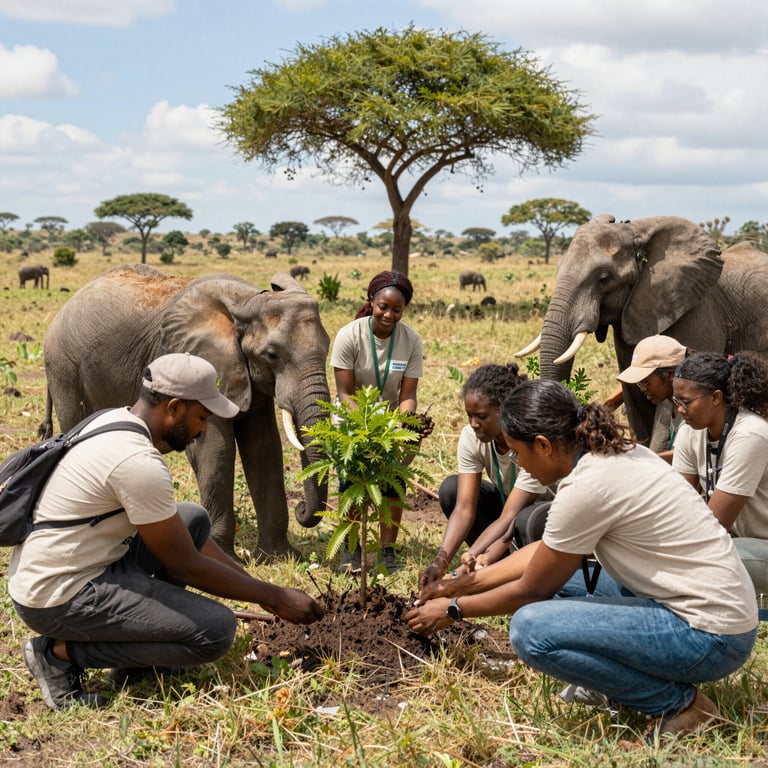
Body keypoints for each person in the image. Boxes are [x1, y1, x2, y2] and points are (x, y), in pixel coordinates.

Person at [407, 379, 757, 743]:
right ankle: (633, 685)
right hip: (714, 611)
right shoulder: (615, 455)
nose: (520, 464)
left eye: (518, 453)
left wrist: (452, 610)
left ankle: (677, 705)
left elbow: (532, 590)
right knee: (567, 586)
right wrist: (457, 583)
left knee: (531, 630)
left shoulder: (588, 485)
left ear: (542, 445)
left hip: (710, 635)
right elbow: (543, 555)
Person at [9, 353, 324, 711]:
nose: (203, 429)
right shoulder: (137, 463)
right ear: (174, 408)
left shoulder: (113, 420)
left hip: (77, 561)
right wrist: (274, 596)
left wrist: (255, 586)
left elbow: (183, 544)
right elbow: (186, 566)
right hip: (59, 593)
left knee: (190, 518)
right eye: (201, 417)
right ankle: (57, 654)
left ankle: (138, 664)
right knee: (215, 630)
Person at [419, 363, 551, 589]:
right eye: (469, 415)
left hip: (539, 522)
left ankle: (509, 570)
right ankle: (492, 566)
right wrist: (440, 562)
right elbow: (464, 508)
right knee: (451, 489)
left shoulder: (529, 441)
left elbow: (510, 516)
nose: (473, 424)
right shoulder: (472, 437)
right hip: (507, 519)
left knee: (524, 519)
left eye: (481, 416)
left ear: (505, 410)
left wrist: (460, 570)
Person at [330, 270, 423, 574]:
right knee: (352, 481)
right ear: (371, 301)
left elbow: (408, 395)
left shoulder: (410, 340)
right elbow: (344, 393)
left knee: (394, 483)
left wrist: (404, 421)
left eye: (397, 310)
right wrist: (366, 425)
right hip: (352, 417)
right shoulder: (349, 335)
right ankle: (351, 548)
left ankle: (387, 550)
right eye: (384, 306)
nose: (389, 314)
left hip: (391, 423)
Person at [672, 351, 768, 597]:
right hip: (732, 541)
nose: (680, 410)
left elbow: (714, 524)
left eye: (685, 401)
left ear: (716, 397)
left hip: (759, 545)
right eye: (676, 401)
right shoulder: (689, 431)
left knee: (698, 561)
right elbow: (678, 504)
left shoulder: (751, 435)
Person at [615, 334, 689, 462]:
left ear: (670, 374)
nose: (642, 389)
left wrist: (641, 460)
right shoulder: (674, 405)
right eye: (639, 383)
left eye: (646, 382)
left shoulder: (691, 408)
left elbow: (688, 455)